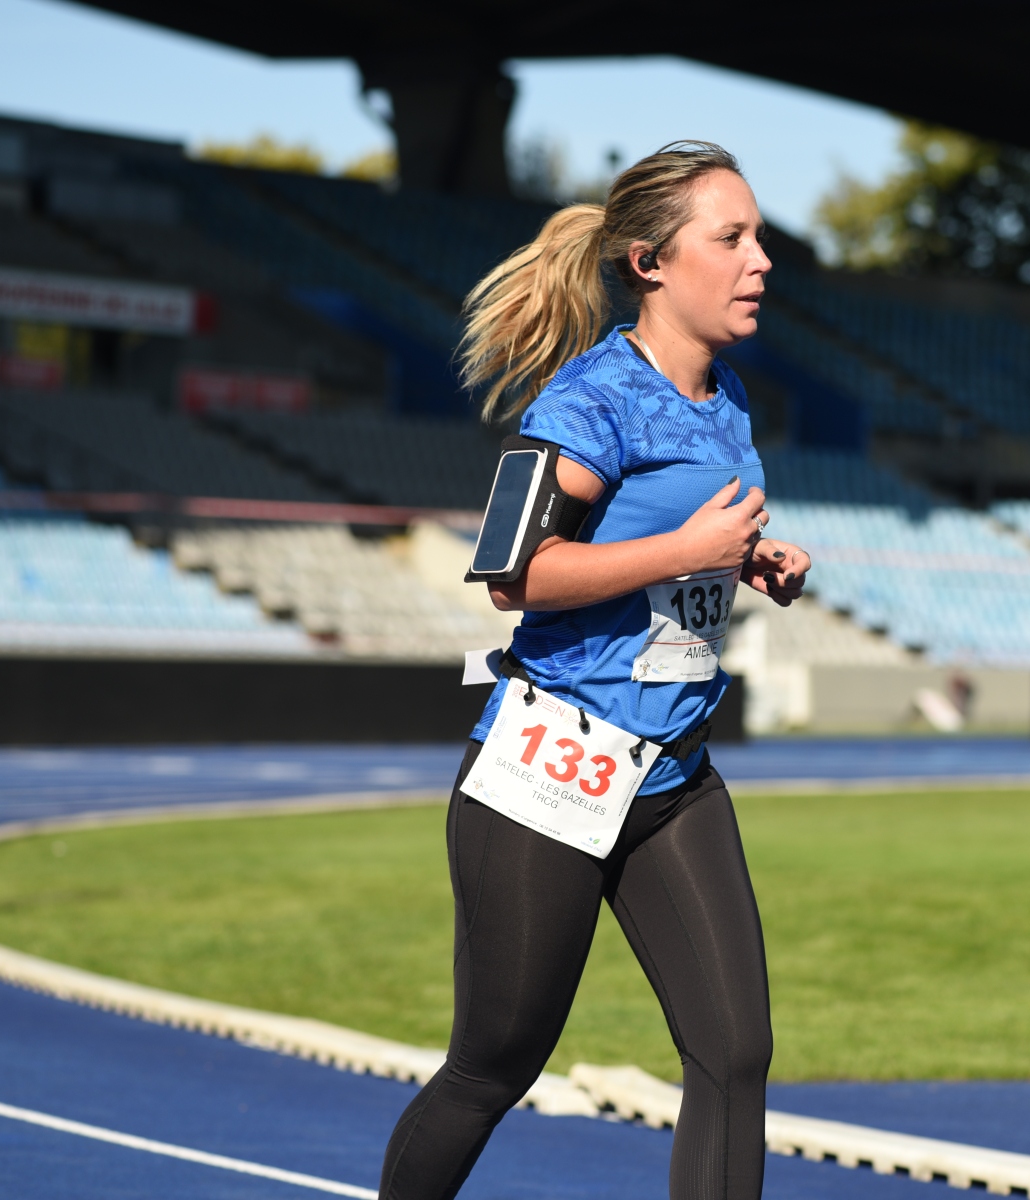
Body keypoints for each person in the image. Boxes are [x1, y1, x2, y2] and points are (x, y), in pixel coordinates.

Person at [379, 141, 812, 1200]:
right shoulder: (588, 400)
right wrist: (687, 551)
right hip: (549, 775)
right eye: (731, 238)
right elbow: (511, 574)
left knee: (735, 1054)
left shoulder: (728, 395)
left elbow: (672, 536)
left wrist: (749, 558)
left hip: (673, 779)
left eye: (758, 237)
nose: (760, 260)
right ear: (649, 263)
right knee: (492, 1068)